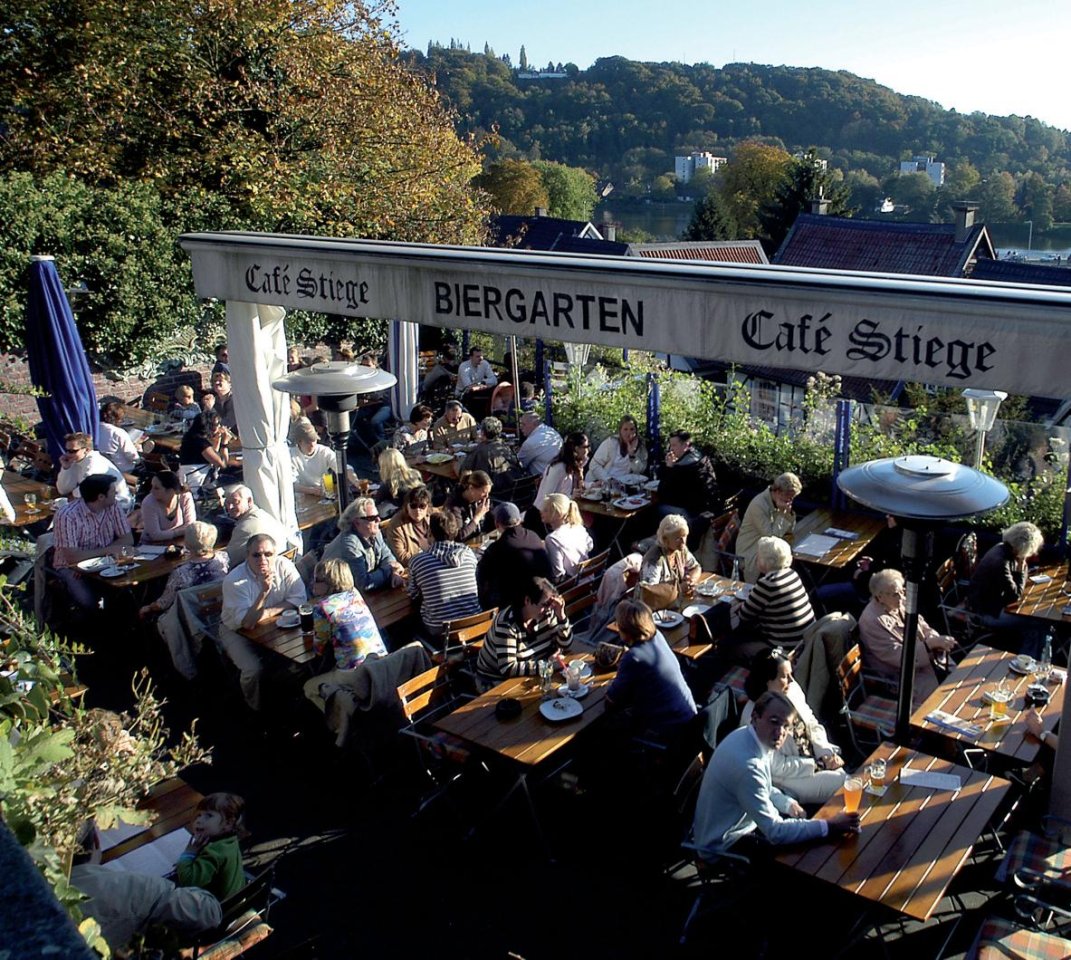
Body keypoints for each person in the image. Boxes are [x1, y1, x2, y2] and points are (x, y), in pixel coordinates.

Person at [691, 690, 859, 860]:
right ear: (755, 717)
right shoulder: (748, 767)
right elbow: (776, 832)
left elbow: (761, 786)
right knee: (811, 857)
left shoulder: (749, 737)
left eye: (786, 726)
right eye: (774, 722)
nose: (780, 732)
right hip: (724, 846)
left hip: (740, 827)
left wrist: (786, 803)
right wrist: (830, 826)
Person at [740, 649, 847, 804]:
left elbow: (811, 722)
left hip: (815, 759)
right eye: (784, 676)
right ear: (767, 681)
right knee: (845, 785)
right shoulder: (756, 717)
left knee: (849, 783)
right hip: (788, 778)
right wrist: (815, 765)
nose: (791, 680)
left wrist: (825, 753)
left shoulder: (792, 690)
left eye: (791, 674)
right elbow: (775, 765)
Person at [220, 534, 306, 709]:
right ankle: (255, 707)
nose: (263, 560)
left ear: (276, 554)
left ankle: (292, 700)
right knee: (253, 670)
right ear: (247, 555)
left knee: (300, 656)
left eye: (268, 554)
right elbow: (247, 623)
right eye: (256, 555)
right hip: (237, 631)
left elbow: (299, 598)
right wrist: (264, 592)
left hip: (275, 624)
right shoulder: (234, 581)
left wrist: (267, 613)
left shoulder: (284, 566)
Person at [141, 522, 229, 678]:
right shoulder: (223, 559)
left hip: (194, 621)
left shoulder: (181, 573)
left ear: (187, 544)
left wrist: (148, 607)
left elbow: (163, 603)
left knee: (152, 617)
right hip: (220, 615)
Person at [859, 568, 955, 706]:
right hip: (900, 676)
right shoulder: (871, 622)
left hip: (924, 661)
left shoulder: (900, 602)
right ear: (880, 597)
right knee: (942, 699)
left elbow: (923, 626)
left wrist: (934, 639)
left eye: (902, 591)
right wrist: (930, 645)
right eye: (895, 594)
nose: (902, 597)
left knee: (958, 678)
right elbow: (898, 657)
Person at [606, 599, 697, 738]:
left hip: (671, 731)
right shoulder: (657, 636)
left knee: (607, 724)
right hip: (689, 718)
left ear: (625, 630)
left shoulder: (634, 657)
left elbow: (611, 701)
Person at [52, 474, 133, 609]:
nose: (116, 494)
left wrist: (99, 557)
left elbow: (127, 539)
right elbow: (72, 557)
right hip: (70, 567)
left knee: (126, 591)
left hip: (105, 561)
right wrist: (108, 550)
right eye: (113, 491)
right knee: (89, 601)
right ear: (101, 497)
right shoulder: (67, 516)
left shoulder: (113, 506)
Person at [726, 536, 815, 659]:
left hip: (785, 649)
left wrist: (736, 605)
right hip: (805, 641)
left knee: (729, 644)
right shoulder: (792, 574)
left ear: (765, 561)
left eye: (758, 555)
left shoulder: (768, 583)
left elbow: (744, 616)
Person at [475, 576, 572, 685]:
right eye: (545, 604)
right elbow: (508, 668)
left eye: (550, 604)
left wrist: (561, 616)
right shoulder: (506, 624)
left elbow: (565, 645)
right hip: (497, 682)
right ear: (527, 600)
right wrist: (546, 665)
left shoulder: (546, 613)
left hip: (532, 674)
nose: (548, 609)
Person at [967, 521, 1047, 655]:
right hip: (987, 614)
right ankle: (1027, 659)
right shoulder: (1000, 562)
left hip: (987, 605)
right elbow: (1015, 595)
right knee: (1037, 623)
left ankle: (1030, 654)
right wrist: (1022, 570)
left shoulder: (1001, 548)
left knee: (1034, 621)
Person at [407, 510, 481, 638]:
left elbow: (413, 594)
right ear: (455, 532)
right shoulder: (469, 554)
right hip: (475, 626)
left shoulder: (418, 562)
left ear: (430, 533)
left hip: (440, 631)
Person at [308, 558, 388, 672]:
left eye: (316, 579)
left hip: (355, 673)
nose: (312, 583)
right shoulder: (354, 594)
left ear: (330, 582)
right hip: (381, 662)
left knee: (311, 682)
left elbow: (319, 648)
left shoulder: (322, 608)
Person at [476, 501, 551, 609]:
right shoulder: (533, 535)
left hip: (515, 604)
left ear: (497, 524)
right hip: (541, 594)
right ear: (519, 520)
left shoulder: (496, 548)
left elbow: (482, 578)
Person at [322, 497, 405, 592]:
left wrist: (394, 572)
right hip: (335, 593)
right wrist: (389, 569)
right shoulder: (350, 545)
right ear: (357, 522)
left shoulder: (374, 532)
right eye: (372, 518)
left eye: (378, 515)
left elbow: (386, 555)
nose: (378, 520)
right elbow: (363, 583)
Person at [175, 792, 246, 901]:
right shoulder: (230, 840)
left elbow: (188, 881)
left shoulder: (214, 852)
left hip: (219, 906)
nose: (198, 820)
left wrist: (188, 854)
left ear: (228, 823)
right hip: (238, 895)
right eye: (199, 815)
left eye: (208, 816)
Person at [736, 473, 802, 584]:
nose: (790, 501)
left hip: (767, 548)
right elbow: (772, 538)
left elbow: (789, 531)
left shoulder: (779, 502)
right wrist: (782, 513)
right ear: (778, 492)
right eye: (789, 497)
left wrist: (787, 513)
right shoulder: (759, 505)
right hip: (750, 551)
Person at [655, 430, 719, 527]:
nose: (671, 449)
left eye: (674, 445)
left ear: (685, 445)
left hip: (693, 513)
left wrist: (669, 468)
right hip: (708, 506)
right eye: (670, 445)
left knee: (657, 508)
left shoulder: (685, 467)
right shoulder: (701, 458)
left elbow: (662, 492)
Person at [56, 431, 133, 511]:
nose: (68, 454)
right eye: (67, 450)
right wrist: (66, 468)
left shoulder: (93, 465)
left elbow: (81, 494)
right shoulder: (76, 460)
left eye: (72, 451)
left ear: (86, 450)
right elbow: (63, 490)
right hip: (98, 501)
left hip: (118, 505)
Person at [223, 484, 293, 567]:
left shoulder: (244, 528)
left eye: (236, 502)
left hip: (261, 570)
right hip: (280, 564)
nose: (230, 507)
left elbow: (229, 560)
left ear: (249, 501)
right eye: (227, 503)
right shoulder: (264, 515)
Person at [639, 513, 701, 591]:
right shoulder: (655, 560)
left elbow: (695, 567)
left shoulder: (680, 549)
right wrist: (679, 589)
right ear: (665, 539)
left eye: (684, 536)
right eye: (678, 538)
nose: (683, 542)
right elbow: (650, 592)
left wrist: (691, 580)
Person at [541, 492, 593, 583]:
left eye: (545, 510)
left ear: (558, 513)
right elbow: (590, 546)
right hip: (588, 579)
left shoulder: (552, 539)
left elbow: (557, 575)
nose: (541, 512)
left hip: (572, 585)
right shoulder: (578, 527)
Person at [178, 411, 232, 493]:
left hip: (190, 480)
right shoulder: (200, 442)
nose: (219, 426)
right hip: (198, 486)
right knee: (233, 479)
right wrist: (224, 443)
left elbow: (213, 456)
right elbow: (222, 464)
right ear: (209, 426)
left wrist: (217, 441)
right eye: (217, 424)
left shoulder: (191, 438)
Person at [382, 484, 434, 568]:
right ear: (407, 506)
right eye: (413, 506)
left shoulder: (434, 517)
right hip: (416, 567)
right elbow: (402, 556)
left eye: (422, 506)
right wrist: (428, 561)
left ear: (427, 506)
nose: (418, 510)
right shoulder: (396, 525)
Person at [533, 431, 589, 510]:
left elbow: (576, 485)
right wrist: (571, 496)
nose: (588, 450)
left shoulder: (572, 466)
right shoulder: (559, 468)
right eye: (585, 447)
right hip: (544, 512)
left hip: (561, 509)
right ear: (576, 449)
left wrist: (591, 485)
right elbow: (548, 496)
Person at [140, 470, 196, 544]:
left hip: (179, 541)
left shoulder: (185, 496)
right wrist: (179, 532)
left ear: (170, 491)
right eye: (152, 486)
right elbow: (155, 535)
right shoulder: (148, 503)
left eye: (156, 488)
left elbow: (190, 526)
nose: (151, 491)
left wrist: (169, 534)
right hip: (152, 544)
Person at [588, 415, 648, 483]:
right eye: (625, 429)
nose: (629, 433)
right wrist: (609, 479)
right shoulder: (611, 443)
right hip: (600, 481)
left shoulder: (640, 447)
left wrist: (632, 455)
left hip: (624, 482)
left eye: (632, 429)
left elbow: (640, 470)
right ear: (620, 431)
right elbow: (594, 465)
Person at [289, 417, 338, 496]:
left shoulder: (324, 451)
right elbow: (290, 484)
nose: (312, 444)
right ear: (299, 442)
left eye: (314, 440)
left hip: (324, 491)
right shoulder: (291, 455)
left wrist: (356, 481)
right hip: (302, 496)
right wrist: (312, 491)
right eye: (308, 442)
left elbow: (342, 466)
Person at [460, 416, 520, 480]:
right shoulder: (505, 447)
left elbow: (465, 470)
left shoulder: (479, 450)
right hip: (508, 482)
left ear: (482, 433)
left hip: (488, 483)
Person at [445, 469, 495, 542]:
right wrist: (477, 517)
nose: (486, 496)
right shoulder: (454, 506)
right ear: (471, 488)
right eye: (484, 492)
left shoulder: (482, 500)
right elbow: (458, 536)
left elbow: (492, 524)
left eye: (488, 493)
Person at [375, 447, 424, 515]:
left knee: (378, 509)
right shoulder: (415, 474)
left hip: (403, 514)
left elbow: (377, 501)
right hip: (420, 508)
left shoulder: (389, 483)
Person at [98, 401, 140, 473]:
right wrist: (139, 458)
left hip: (101, 466)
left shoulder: (94, 429)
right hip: (122, 470)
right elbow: (133, 457)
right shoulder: (119, 433)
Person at [517, 411, 562, 477]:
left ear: (534, 424)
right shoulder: (551, 431)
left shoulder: (531, 442)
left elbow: (519, 464)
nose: (520, 427)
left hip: (542, 479)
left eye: (523, 424)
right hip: (560, 475)